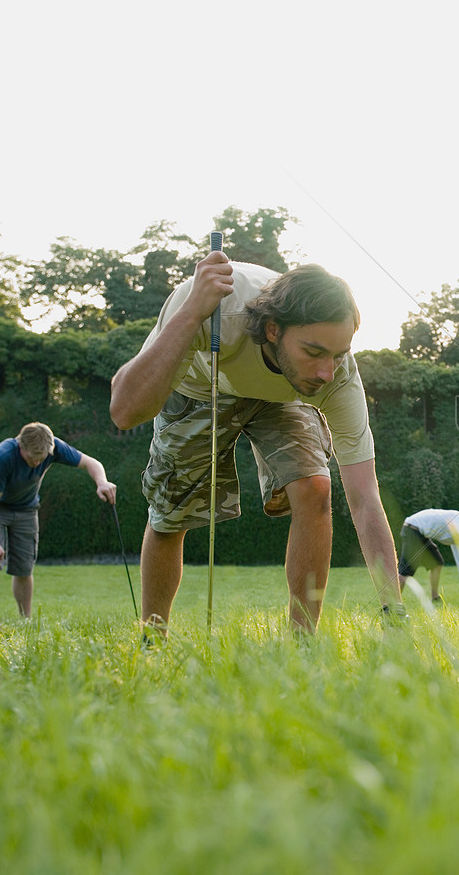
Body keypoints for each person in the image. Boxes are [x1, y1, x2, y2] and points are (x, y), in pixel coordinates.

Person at [109, 250, 403, 634]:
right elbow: (125, 411)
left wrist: (393, 609)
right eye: (314, 352)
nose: (326, 372)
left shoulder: (333, 375)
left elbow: (364, 496)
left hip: (283, 392)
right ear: (273, 329)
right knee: (170, 515)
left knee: (315, 486)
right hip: (199, 384)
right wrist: (192, 313)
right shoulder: (212, 310)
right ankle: (153, 635)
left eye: (338, 354)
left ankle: (303, 643)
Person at [0, 422, 117, 619]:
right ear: (20, 446)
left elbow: (91, 463)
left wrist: (101, 482)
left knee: (24, 568)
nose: (38, 463)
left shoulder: (52, 448)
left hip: (26, 508)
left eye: (43, 459)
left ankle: (26, 622)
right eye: (33, 458)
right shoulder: (1, 456)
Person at [396, 508, 459, 602]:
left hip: (420, 533)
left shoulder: (456, 530)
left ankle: (435, 598)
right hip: (412, 529)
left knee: (437, 563)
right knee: (405, 572)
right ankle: (394, 602)